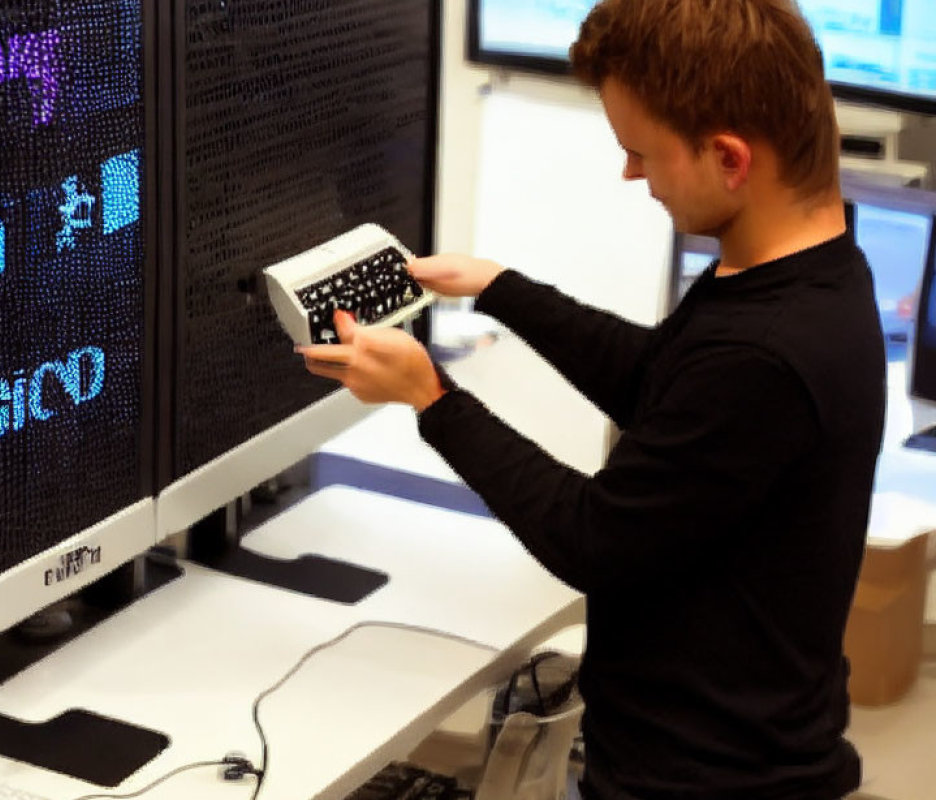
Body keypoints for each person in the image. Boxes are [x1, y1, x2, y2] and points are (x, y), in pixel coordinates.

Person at [299, 0, 887, 797]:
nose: (631, 175)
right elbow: (661, 381)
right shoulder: (801, 270)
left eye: (642, 153)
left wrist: (431, 398)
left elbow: (592, 538)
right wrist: (500, 288)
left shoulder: (766, 353)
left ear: (729, 159)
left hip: (706, 779)